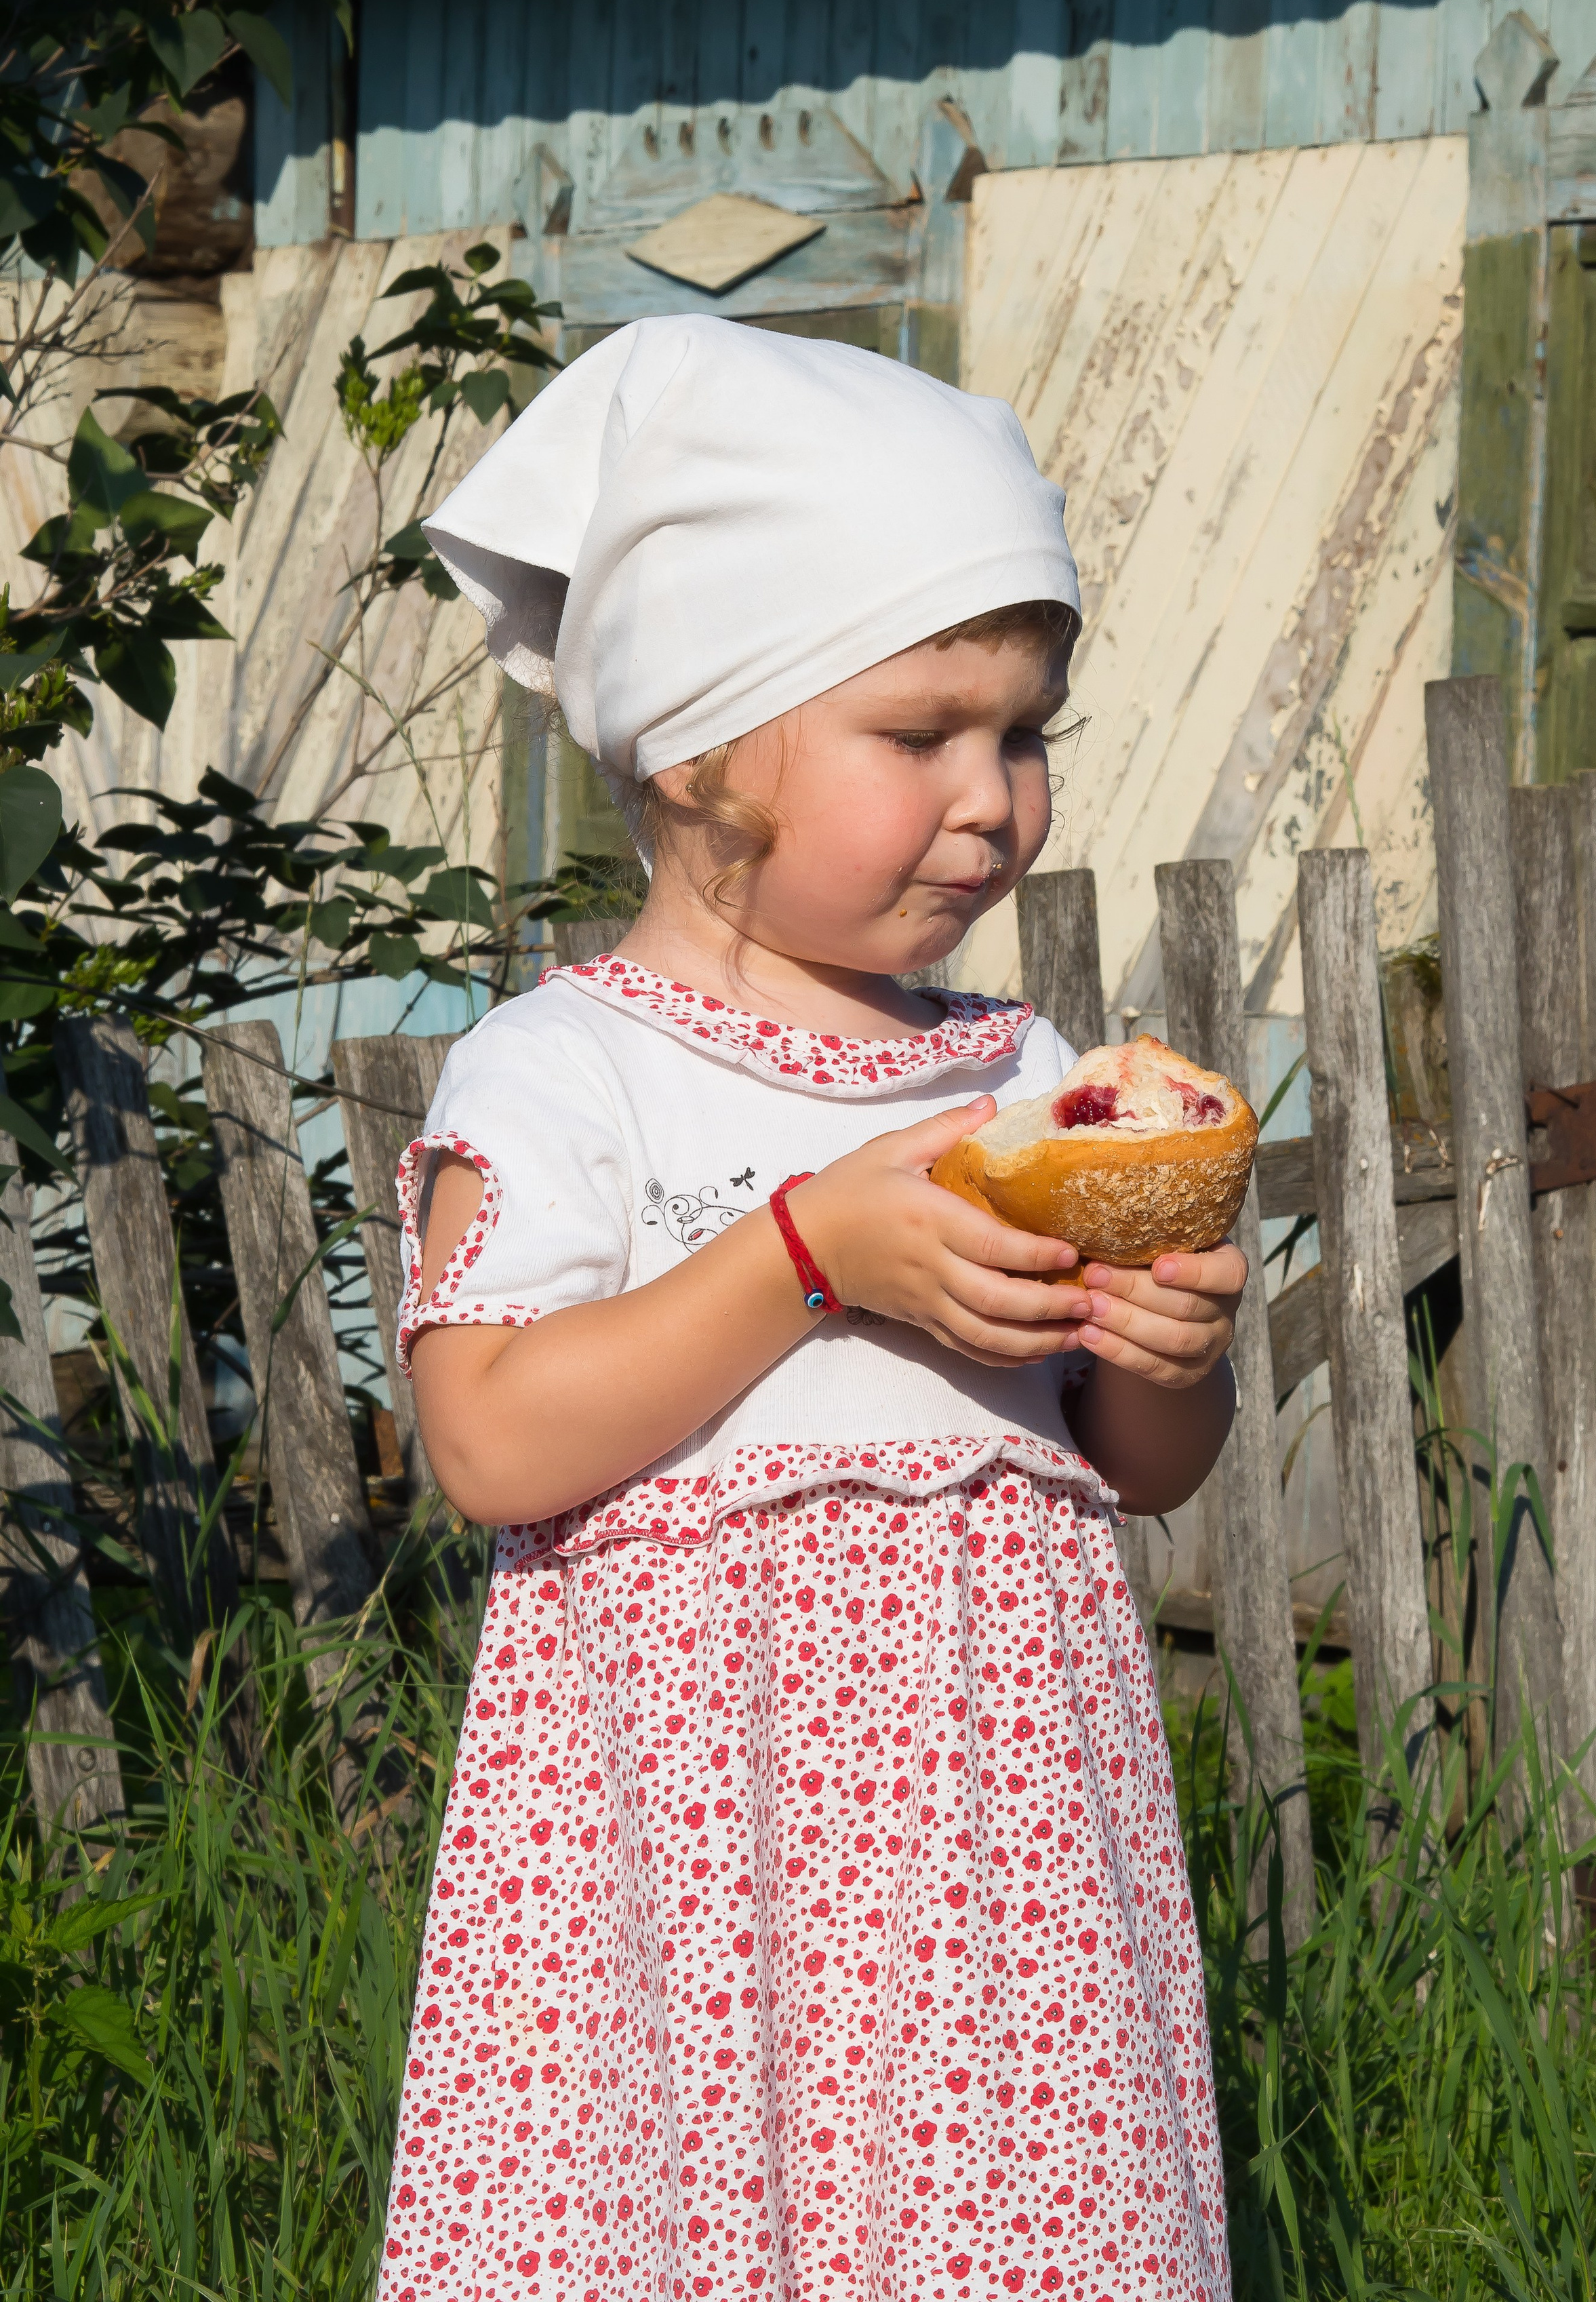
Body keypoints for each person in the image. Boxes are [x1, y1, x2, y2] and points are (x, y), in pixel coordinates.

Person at [377, 315, 1243, 2302]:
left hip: (1003, 1884)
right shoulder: (564, 1068)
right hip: (693, 1878)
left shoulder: (1025, 1079)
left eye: (1024, 735)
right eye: (919, 731)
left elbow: (1136, 1471)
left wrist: (1171, 1358)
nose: (991, 798)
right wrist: (800, 1257)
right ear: (701, 743)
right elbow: (492, 1440)